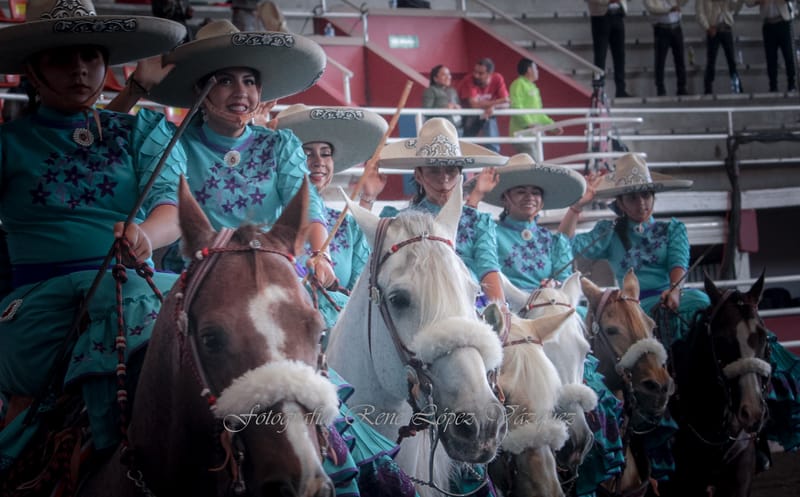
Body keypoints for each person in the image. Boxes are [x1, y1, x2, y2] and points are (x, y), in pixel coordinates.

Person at [0, 0, 187, 483]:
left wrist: (145, 234)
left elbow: (172, 209)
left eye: (91, 55)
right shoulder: (8, 143)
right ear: (32, 72)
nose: (80, 69)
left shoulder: (142, 130)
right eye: (62, 58)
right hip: (40, 302)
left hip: (137, 281)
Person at [107, 20, 337, 288]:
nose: (241, 92)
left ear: (259, 92)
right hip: (198, 278)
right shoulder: (173, 142)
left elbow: (306, 203)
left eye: (249, 82)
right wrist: (135, 89)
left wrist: (322, 255)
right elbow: (101, 135)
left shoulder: (280, 144)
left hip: (271, 272)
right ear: (200, 90)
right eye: (226, 81)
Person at [275, 103, 388, 330]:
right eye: (306, 153)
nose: (318, 161)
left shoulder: (347, 225)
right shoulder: (265, 217)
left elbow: (364, 289)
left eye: (325, 154)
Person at [378, 118, 509, 308]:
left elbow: (488, 268)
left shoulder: (479, 221)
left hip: (471, 303)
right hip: (419, 307)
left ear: (461, 174)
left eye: (451, 171)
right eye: (434, 171)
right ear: (418, 175)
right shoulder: (400, 221)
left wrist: (501, 311)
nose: (444, 180)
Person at [466, 153, 585, 289]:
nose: (529, 197)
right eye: (521, 192)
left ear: (542, 201)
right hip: (504, 306)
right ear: (505, 198)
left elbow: (566, 283)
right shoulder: (488, 231)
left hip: (548, 305)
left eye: (535, 193)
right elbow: (463, 233)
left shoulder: (553, 241)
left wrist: (554, 285)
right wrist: (477, 194)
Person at [508, 58, 561, 160]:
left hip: (534, 134)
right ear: (529, 70)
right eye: (536, 68)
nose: (538, 71)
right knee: (534, 164)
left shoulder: (533, 87)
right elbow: (516, 107)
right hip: (522, 133)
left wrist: (552, 126)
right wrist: (529, 124)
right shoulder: (518, 84)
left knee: (536, 163)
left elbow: (539, 114)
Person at [457, 57, 509, 153]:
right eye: (475, 71)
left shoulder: (497, 78)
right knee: (464, 144)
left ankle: (493, 159)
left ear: (490, 74)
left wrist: (493, 107)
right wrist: (497, 102)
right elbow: (474, 105)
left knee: (488, 117)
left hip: (486, 115)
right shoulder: (468, 80)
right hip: (467, 116)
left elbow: (507, 103)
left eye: (480, 73)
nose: (476, 75)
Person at [746, 0, 797, 92]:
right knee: (771, 58)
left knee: (788, 55)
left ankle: (791, 84)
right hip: (768, 24)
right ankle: (773, 86)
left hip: (783, 22)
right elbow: (748, 3)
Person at [696, 0, 745, 94]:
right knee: (711, 61)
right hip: (713, 29)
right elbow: (700, 13)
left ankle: (737, 88)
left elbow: (735, 7)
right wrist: (707, 27)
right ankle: (708, 90)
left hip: (726, 28)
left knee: (731, 61)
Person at [644, 0, 690, 96]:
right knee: (660, 61)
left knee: (680, 59)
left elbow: (682, 2)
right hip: (661, 29)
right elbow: (653, 9)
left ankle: (681, 87)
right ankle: (660, 89)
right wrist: (669, 9)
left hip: (676, 27)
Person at [587, 0, 631, 98]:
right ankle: (598, 90)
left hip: (618, 14)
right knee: (600, 56)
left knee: (620, 55)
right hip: (600, 16)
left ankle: (621, 90)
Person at [421, 64, 462, 134]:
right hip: (439, 130)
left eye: (449, 74)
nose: (448, 77)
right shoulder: (431, 90)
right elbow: (426, 111)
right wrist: (444, 108)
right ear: (435, 78)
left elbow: (458, 105)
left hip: (457, 128)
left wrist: (457, 107)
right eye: (444, 75)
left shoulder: (452, 91)